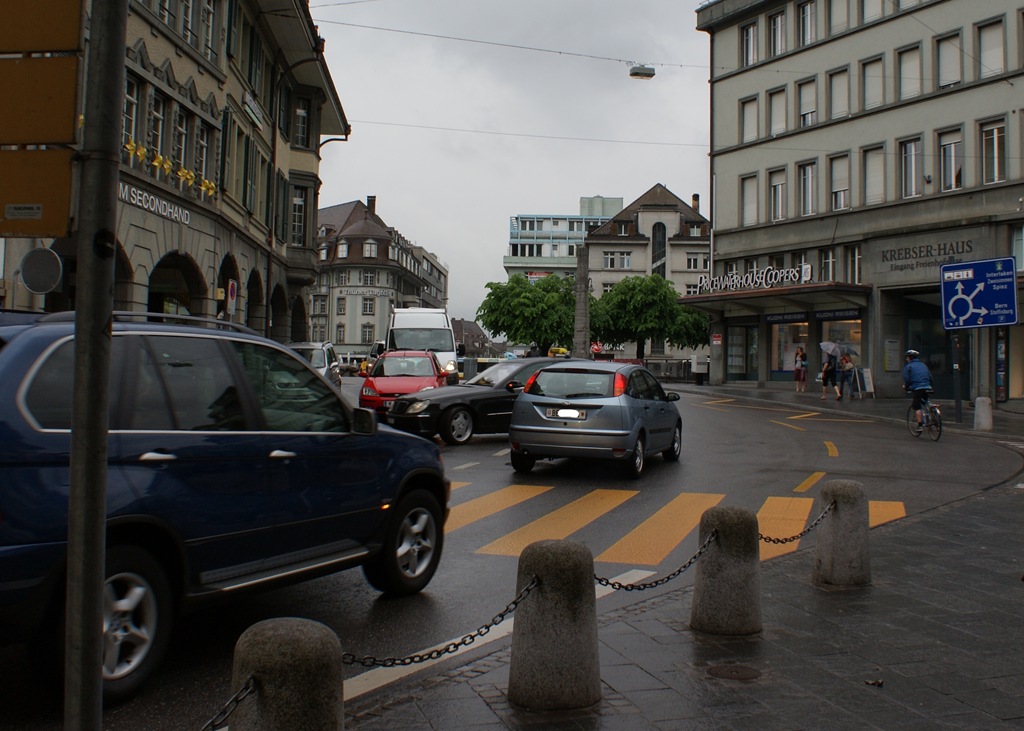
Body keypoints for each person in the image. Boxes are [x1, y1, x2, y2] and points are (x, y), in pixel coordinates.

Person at [902, 349, 933, 433]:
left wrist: (906, 387)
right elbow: (930, 377)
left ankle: (920, 425)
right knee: (925, 401)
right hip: (927, 386)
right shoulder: (923, 365)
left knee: (916, 406)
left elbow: (907, 379)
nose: (906, 359)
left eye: (907, 357)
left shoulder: (908, 367)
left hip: (917, 387)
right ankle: (932, 415)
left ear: (909, 358)